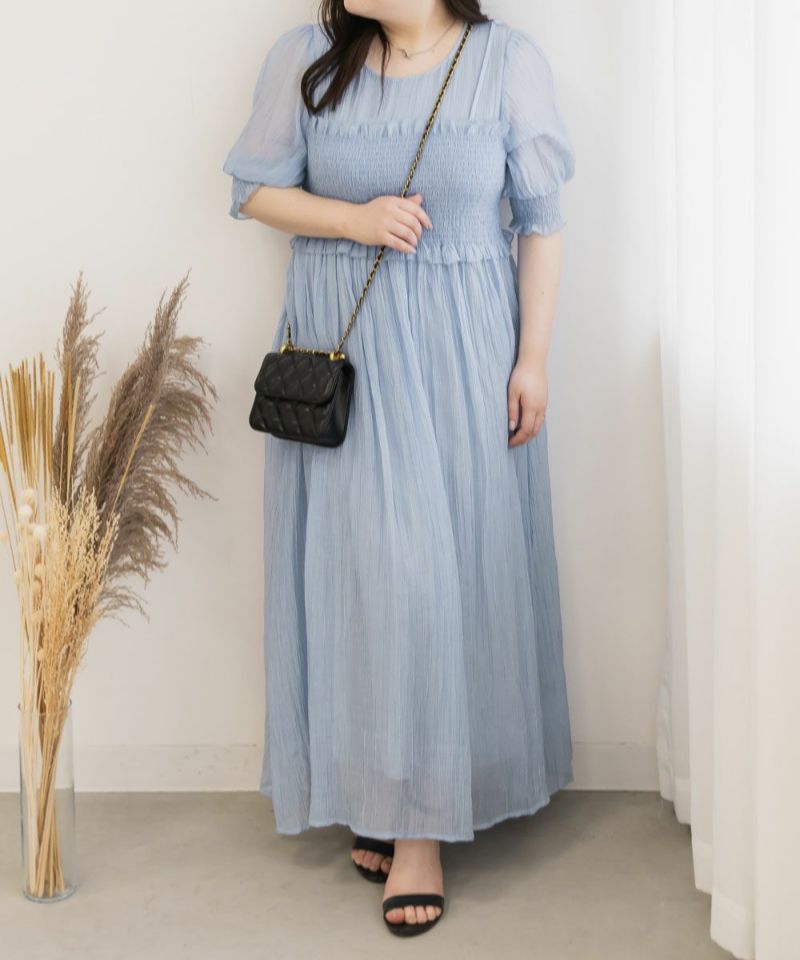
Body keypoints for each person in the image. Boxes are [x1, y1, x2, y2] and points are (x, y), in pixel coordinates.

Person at [222, 0, 575, 938]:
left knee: (433, 583)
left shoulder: (507, 62)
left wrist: (533, 359)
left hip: (460, 357)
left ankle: (419, 827)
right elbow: (253, 189)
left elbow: (541, 220)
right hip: (346, 358)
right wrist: (355, 218)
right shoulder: (309, 57)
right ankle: (383, 788)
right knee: (366, 585)